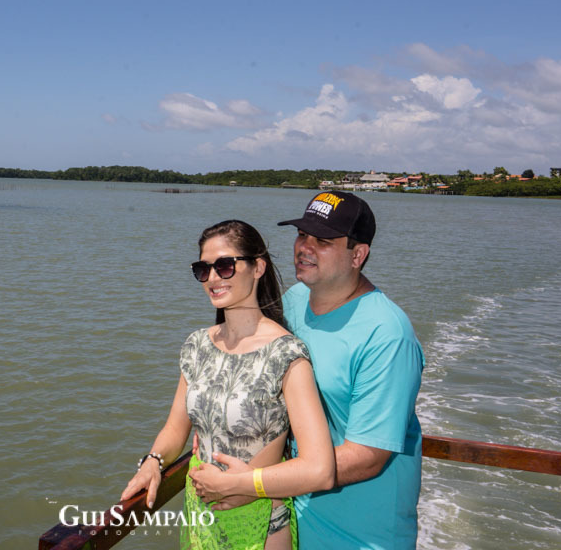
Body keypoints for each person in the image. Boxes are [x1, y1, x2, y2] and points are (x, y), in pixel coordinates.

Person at [190, 192, 424, 549]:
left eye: (324, 241)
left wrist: (252, 482)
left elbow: (368, 457)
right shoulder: (291, 303)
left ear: (358, 255)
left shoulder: (387, 335)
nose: (304, 247)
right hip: (288, 520)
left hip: (359, 535)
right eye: (302, 235)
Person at [119, 219, 334, 550]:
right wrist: (154, 461)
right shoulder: (197, 346)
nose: (213, 279)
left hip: (261, 524)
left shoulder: (286, 353)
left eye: (225, 266)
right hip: (201, 517)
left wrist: (244, 484)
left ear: (258, 267)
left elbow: (320, 470)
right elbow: (176, 429)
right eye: (203, 270)